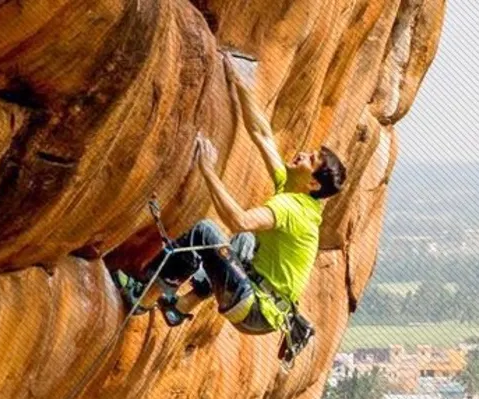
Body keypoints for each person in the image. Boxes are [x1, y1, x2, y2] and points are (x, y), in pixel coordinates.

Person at [115, 54, 346, 354]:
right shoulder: (293, 187)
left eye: (311, 159)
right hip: (261, 300)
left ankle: (142, 298)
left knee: (205, 232)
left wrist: (207, 170)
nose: (303, 154)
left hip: (255, 309)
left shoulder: (293, 208)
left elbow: (239, 219)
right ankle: (181, 306)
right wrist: (239, 83)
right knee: (243, 242)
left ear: (313, 183)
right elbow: (262, 134)